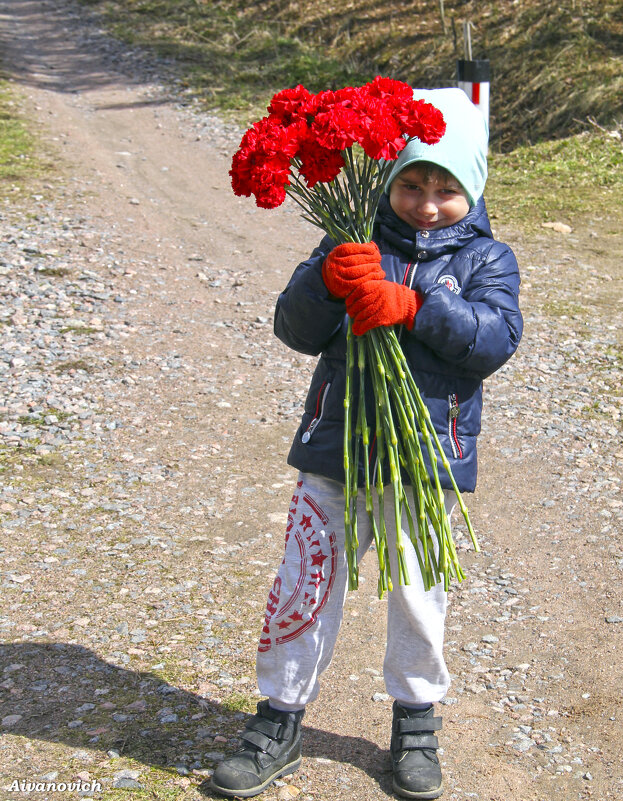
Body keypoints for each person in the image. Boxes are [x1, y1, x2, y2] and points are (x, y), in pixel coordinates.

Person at [211, 87, 523, 800]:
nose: (424, 202)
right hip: (335, 450)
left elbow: (495, 339)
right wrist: (327, 279)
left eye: (445, 189)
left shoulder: (487, 259)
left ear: (470, 191)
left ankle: (416, 719)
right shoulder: (350, 238)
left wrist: (417, 304)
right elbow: (294, 328)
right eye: (411, 182)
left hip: (424, 459)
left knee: (418, 588)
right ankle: (278, 716)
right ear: (387, 177)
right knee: (305, 582)